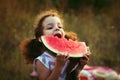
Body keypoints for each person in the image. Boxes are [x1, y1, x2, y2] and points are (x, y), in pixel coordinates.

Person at [20, 10, 90, 80]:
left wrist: (80, 66)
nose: (57, 28)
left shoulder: (65, 55)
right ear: (40, 39)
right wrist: (58, 66)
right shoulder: (42, 61)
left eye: (60, 27)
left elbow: (69, 76)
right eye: (50, 27)